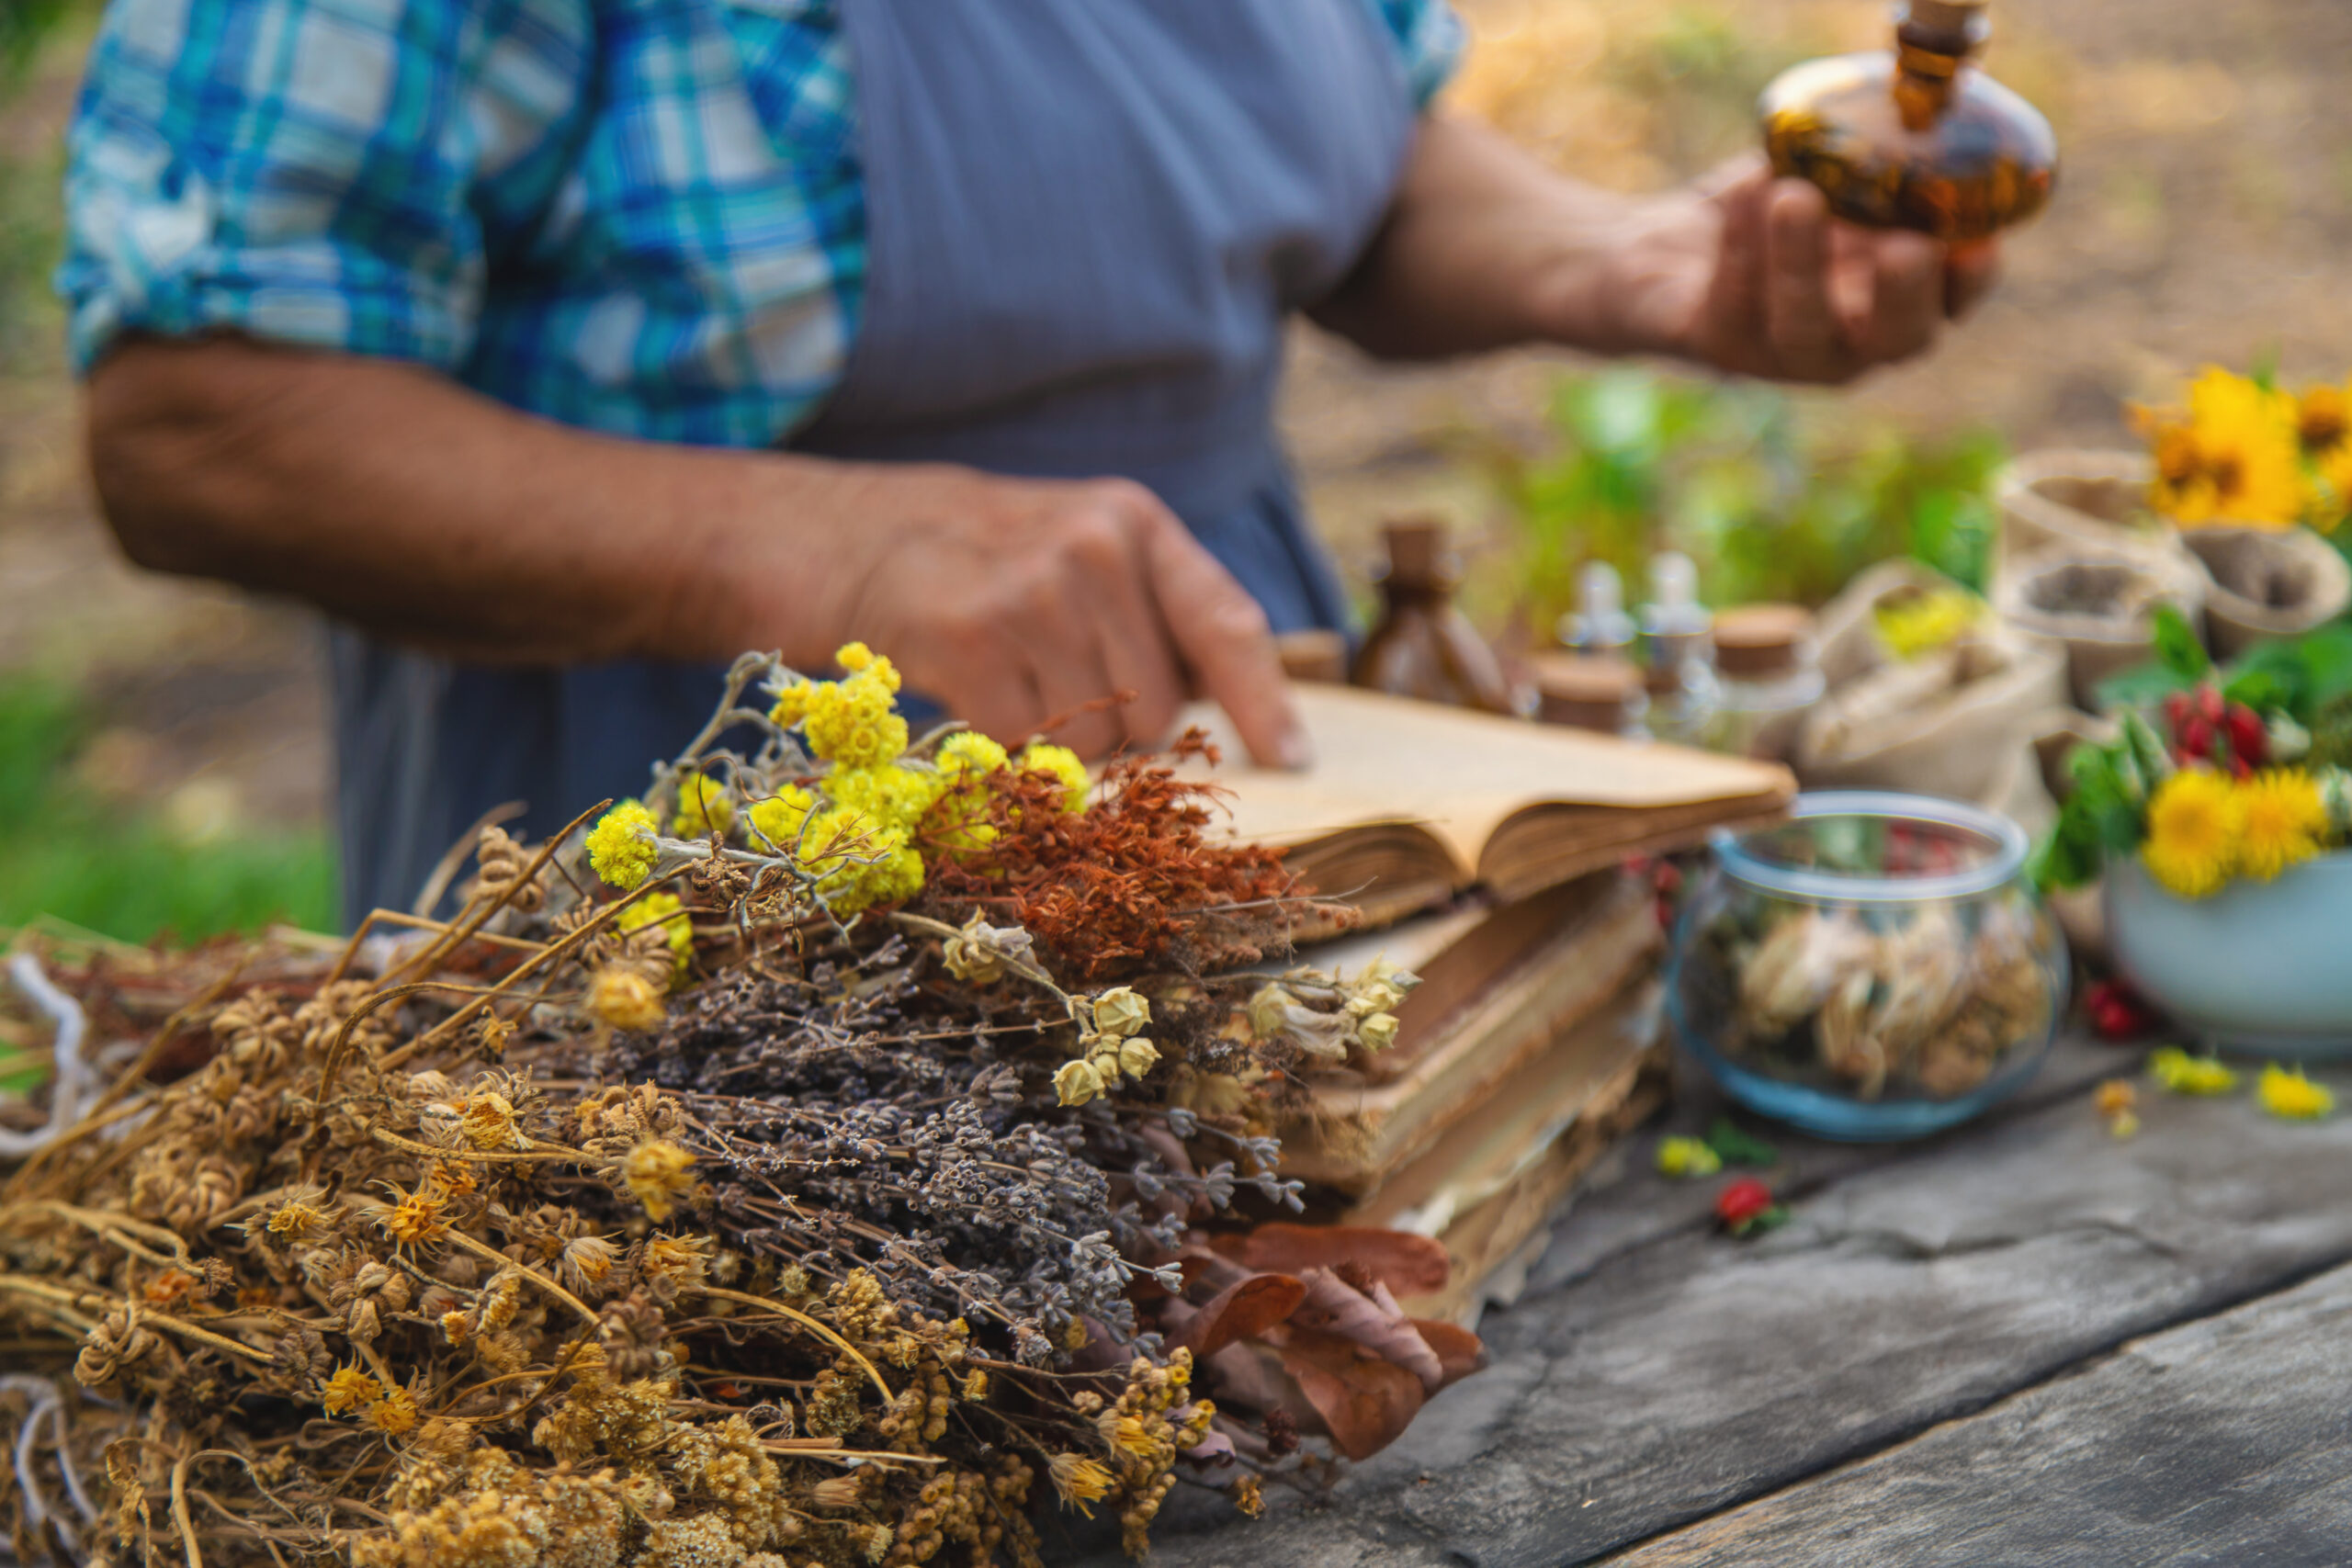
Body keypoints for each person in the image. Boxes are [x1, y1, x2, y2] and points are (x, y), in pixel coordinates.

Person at [62, 0, 1992, 925]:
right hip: (658, 837)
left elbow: (1347, 149)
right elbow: (198, 418)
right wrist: (821, 550)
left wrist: (1620, 264)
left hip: (1232, 763)